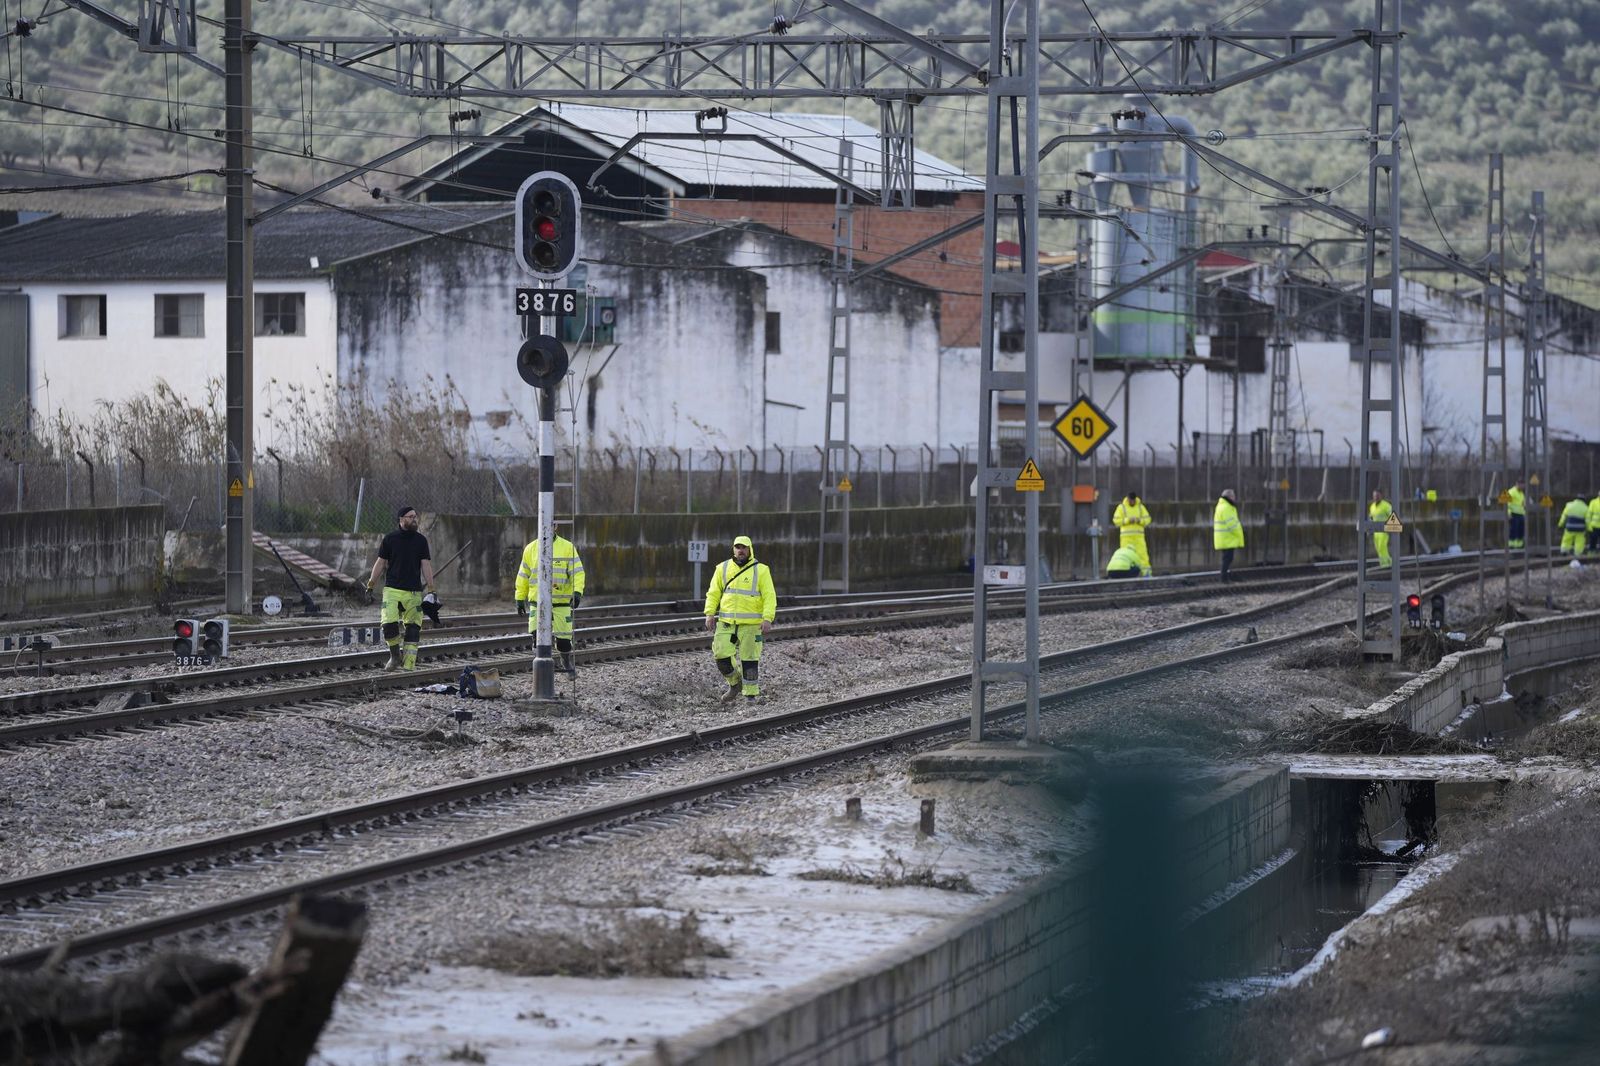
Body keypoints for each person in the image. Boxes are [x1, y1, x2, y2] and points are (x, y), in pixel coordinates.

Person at [703, 535, 776, 703]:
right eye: (737, 547)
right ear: (733, 549)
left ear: (750, 549)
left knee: (749, 660)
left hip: (751, 626)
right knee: (721, 655)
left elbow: (769, 596)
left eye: (744, 547)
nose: (740, 550)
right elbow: (713, 592)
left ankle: (750, 695)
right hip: (727, 623)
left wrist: (767, 618)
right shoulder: (722, 568)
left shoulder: (761, 570)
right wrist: (709, 613)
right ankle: (735, 683)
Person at [366, 505, 435, 671]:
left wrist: (432, 590)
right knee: (388, 624)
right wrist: (370, 584)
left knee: (413, 628)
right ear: (401, 519)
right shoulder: (390, 539)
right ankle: (395, 656)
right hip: (392, 590)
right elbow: (380, 563)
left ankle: (409, 666)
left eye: (415, 516)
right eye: (410, 517)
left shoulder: (421, 541)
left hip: (413, 592)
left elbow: (425, 565)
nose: (414, 519)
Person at [514, 532, 586, 675]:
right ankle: (541, 670)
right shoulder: (530, 548)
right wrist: (519, 598)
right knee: (537, 638)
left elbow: (577, 573)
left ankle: (565, 660)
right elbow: (523, 575)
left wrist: (577, 592)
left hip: (561, 603)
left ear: (556, 526)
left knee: (564, 641)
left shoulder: (566, 547)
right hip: (538, 603)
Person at [1112, 492, 1153, 577]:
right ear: (1128, 499)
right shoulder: (1121, 507)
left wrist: (1139, 521)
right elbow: (1116, 521)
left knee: (1143, 556)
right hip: (1126, 538)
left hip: (1139, 537)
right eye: (1131, 500)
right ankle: (1127, 575)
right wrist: (1128, 520)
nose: (1132, 502)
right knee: (1127, 556)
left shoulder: (1141, 507)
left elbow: (1148, 519)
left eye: (1133, 501)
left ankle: (1146, 575)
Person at [1213, 489, 1244, 583]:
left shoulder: (1221, 506)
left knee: (1226, 558)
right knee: (1227, 559)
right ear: (1229, 497)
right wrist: (1240, 534)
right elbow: (1232, 525)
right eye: (1233, 496)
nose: (1234, 498)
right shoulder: (1227, 508)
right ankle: (1224, 579)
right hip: (1228, 538)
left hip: (1224, 538)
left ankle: (1225, 577)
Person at [1368, 488, 1394, 569]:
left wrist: (1391, 528)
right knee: (1378, 549)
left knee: (1382, 547)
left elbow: (1392, 516)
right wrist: (1370, 529)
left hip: (1384, 531)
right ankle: (1388, 563)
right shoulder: (1372, 507)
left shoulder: (1386, 505)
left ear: (1381, 496)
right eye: (1374, 496)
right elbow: (1371, 518)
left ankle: (1385, 565)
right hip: (1376, 532)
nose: (1376, 497)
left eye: (1377, 495)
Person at [1506, 479, 1526, 551]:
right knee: (1514, 529)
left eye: (1523, 485)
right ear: (1517, 484)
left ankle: (1519, 545)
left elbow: (1523, 504)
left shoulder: (1521, 493)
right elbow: (1507, 504)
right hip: (1513, 514)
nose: (1523, 486)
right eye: (1522, 485)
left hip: (1521, 514)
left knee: (1521, 530)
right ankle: (1511, 545)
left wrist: (1524, 513)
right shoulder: (1511, 492)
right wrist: (1508, 513)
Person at [1588, 490, 1600, 555]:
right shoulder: (1593, 502)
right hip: (1594, 525)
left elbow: (1589, 514)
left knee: (1593, 540)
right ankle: (1591, 552)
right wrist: (1589, 525)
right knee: (1593, 540)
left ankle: (1592, 552)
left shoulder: (1593, 502)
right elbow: (1589, 514)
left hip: (1594, 525)